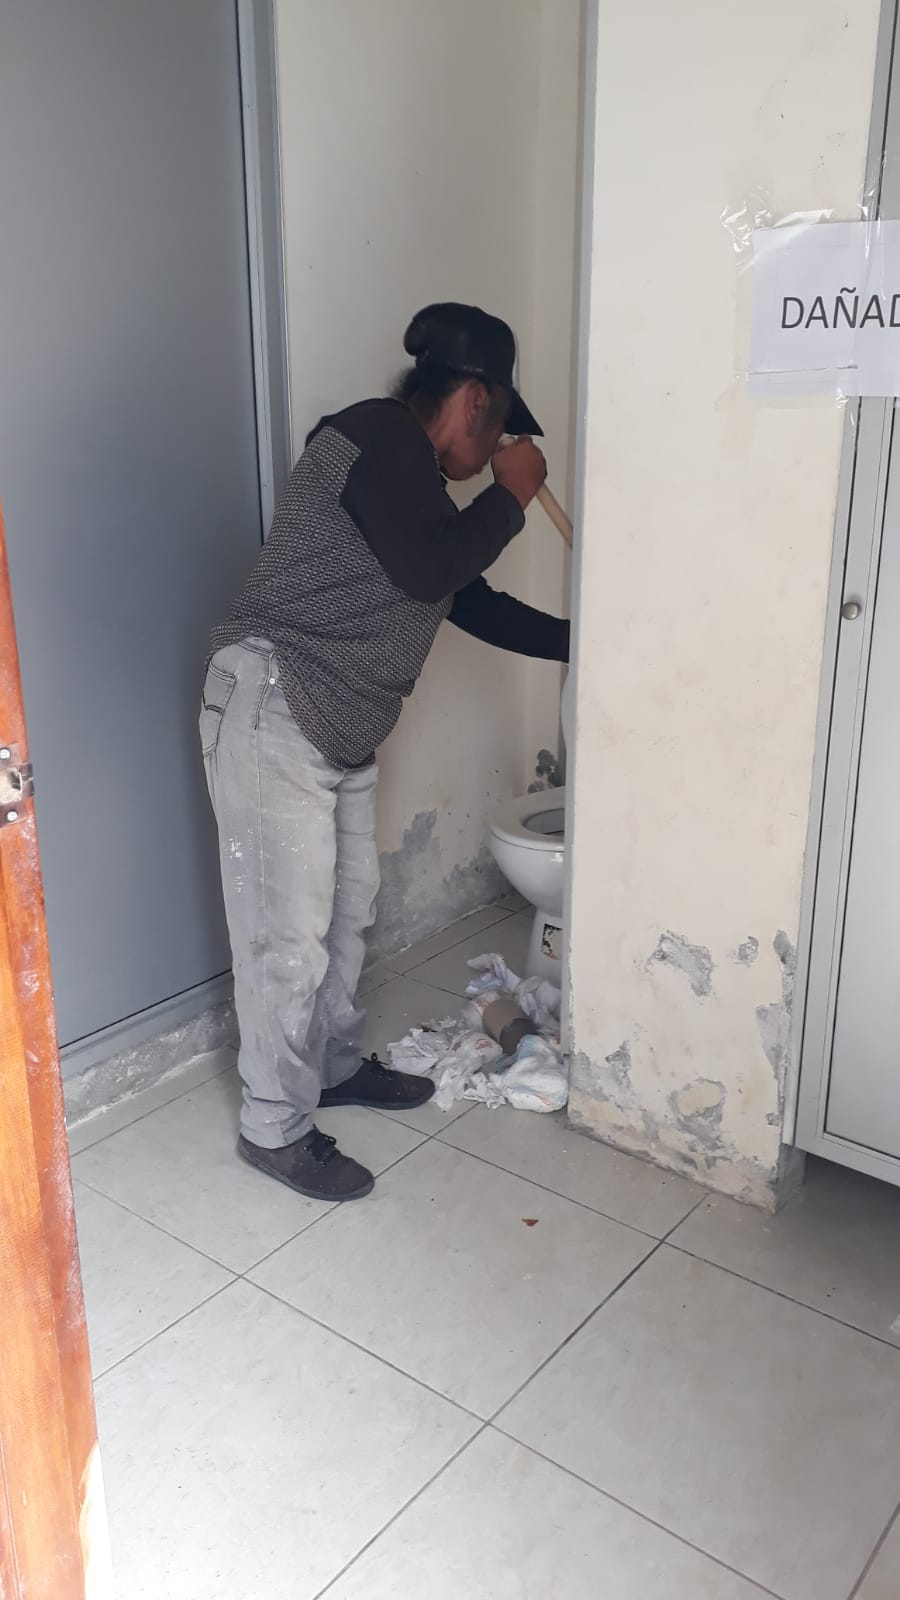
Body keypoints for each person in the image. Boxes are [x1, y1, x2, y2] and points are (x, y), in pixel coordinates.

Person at [200, 301, 569, 1202]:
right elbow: (429, 568)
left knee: (345, 915)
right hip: (276, 703)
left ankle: (329, 1067)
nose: (495, 451)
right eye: (497, 431)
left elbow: (468, 598)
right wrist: (513, 495)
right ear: (475, 400)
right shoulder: (372, 437)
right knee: (287, 939)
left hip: (337, 727)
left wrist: (580, 640)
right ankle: (274, 1128)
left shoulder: (418, 499)